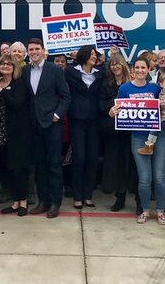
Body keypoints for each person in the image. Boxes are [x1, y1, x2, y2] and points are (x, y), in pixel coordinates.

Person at [112, 57, 165, 225]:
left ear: (148, 69)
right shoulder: (124, 88)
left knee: (159, 177)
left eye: (143, 68)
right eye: (137, 67)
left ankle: (160, 211)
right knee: (144, 178)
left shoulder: (155, 88)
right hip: (138, 137)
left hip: (159, 137)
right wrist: (113, 112)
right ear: (132, 69)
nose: (140, 70)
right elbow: (119, 110)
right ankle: (145, 210)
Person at [24, 38, 70, 219]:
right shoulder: (26, 70)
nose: (34, 52)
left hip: (52, 125)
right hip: (34, 125)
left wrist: (57, 115)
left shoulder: (55, 70)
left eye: (37, 49)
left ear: (43, 51)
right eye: (31, 49)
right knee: (39, 165)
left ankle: (55, 203)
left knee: (53, 165)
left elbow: (66, 97)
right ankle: (42, 201)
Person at [65, 45, 103, 209]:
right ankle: (77, 195)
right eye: (91, 54)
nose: (94, 56)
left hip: (94, 120)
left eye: (95, 54)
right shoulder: (71, 72)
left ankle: (88, 195)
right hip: (77, 119)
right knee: (79, 158)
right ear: (84, 55)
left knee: (92, 158)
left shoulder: (100, 73)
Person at [0, 52, 31, 216]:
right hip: (1, 131)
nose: (5, 66)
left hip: (19, 131)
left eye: (9, 64)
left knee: (19, 167)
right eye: (2, 64)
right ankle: (15, 202)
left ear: (14, 67)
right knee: (8, 167)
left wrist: (1, 90)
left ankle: (23, 201)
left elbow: (16, 103)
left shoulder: (19, 83)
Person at [99, 53, 133, 212]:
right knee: (114, 164)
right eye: (112, 64)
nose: (115, 66)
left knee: (130, 165)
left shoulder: (132, 82)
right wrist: (111, 108)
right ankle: (119, 197)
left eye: (117, 63)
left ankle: (137, 197)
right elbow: (100, 105)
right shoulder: (106, 83)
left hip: (131, 131)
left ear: (123, 64)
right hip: (112, 131)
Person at [137, 73, 165, 155]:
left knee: (154, 128)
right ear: (161, 84)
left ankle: (149, 147)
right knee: (155, 129)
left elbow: (162, 104)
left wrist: (150, 103)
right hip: (164, 118)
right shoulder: (162, 92)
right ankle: (149, 147)